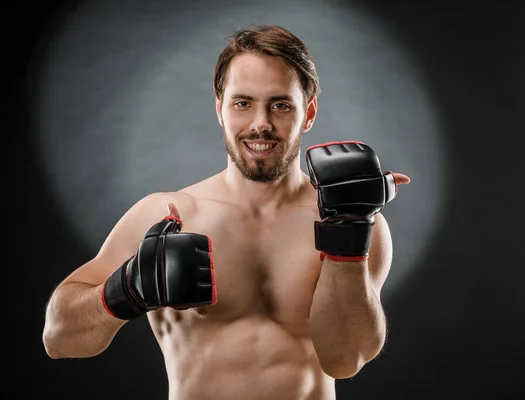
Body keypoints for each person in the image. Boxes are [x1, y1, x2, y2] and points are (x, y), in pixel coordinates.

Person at [42, 24, 411, 400]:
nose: (260, 124)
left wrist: (347, 236)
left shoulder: (356, 222)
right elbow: (59, 338)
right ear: (220, 108)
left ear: (309, 112)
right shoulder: (166, 215)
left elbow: (345, 359)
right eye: (243, 103)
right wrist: (127, 288)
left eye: (280, 105)